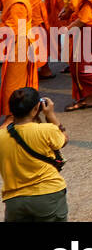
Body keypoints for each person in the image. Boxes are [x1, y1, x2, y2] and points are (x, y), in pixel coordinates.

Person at [0, 88, 67, 221]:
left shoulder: (1, 137)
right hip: (48, 194)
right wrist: (51, 115)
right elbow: (63, 139)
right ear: (36, 109)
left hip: (14, 201)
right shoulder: (46, 130)